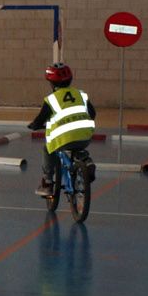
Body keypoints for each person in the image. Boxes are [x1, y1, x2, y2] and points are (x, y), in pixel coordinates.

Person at [29, 62, 97, 196]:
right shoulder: (81, 94)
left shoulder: (52, 99)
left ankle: (48, 182)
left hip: (64, 138)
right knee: (78, 147)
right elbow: (92, 113)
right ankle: (85, 160)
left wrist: (34, 125)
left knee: (48, 149)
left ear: (51, 83)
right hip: (85, 135)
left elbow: (41, 119)